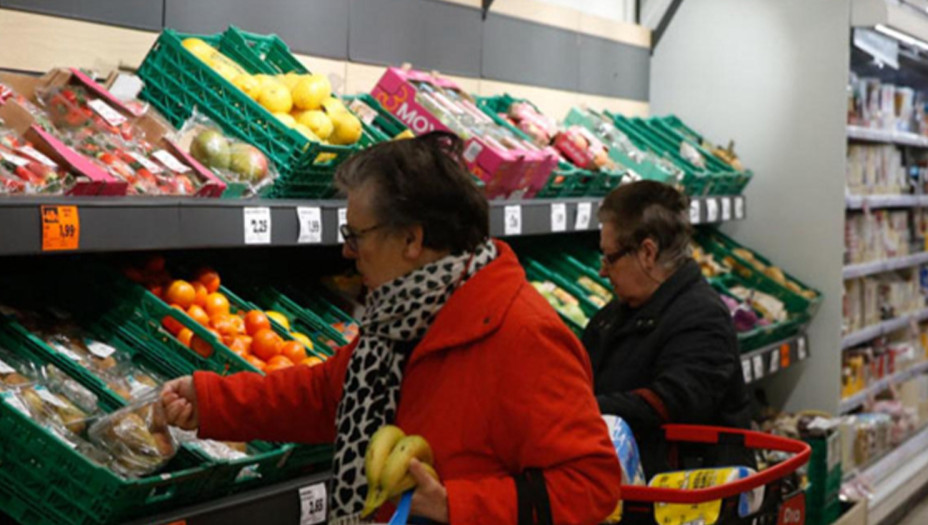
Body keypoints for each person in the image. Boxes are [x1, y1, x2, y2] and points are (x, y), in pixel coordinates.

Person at [158, 132, 621, 524]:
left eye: (356, 235)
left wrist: (456, 505)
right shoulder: (401, 317)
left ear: (412, 239)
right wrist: (212, 401)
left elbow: (591, 485)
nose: (346, 251)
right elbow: (325, 396)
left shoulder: (523, 336)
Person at [582, 180, 752, 477]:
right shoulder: (612, 316)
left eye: (610, 258)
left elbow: (670, 404)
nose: (602, 271)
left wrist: (577, 410)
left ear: (647, 253)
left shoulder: (703, 318)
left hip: (686, 505)